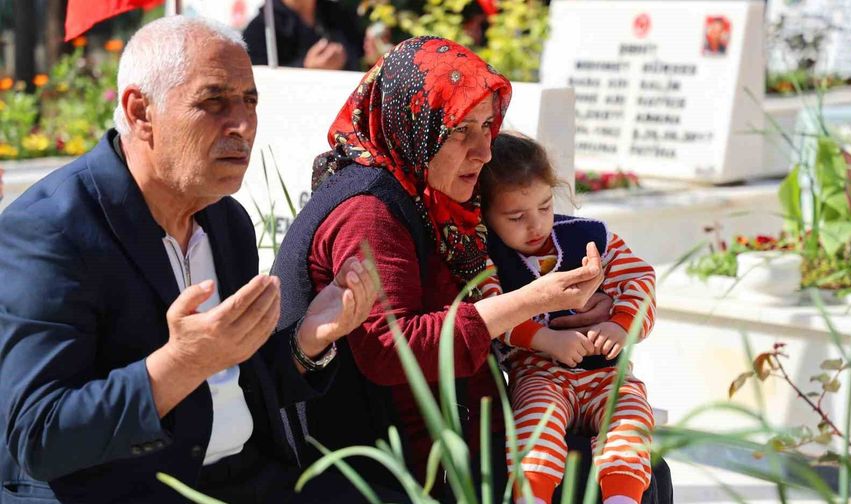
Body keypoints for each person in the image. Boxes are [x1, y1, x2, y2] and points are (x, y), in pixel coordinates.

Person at [0, 16, 380, 503]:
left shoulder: (227, 222)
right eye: (214, 101)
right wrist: (179, 364)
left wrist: (309, 341)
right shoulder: (50, 232)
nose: (241, 125)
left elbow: (236, 383)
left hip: (245, 480)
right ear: (141, 112)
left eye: (249, 100)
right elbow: (39, 436)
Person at [271, 36, 609, 498]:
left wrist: (575, 302)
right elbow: (394, 347)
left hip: (441, 448)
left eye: (488, 125)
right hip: (380, 473)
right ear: (413, 124)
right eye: (459, 131)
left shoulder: (427, 195)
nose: (485, 151)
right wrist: (537, 298)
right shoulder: (369, 210)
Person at [479, 132, 657, 504]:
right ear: (484, 211)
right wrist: (546, 340)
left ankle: (622, 497)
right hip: (539, 373)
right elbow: (491, 309)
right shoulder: (487, 257)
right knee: (535, 424)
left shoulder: (590, 237)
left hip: (605, 373)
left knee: (629, 414)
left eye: (545, 207)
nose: (536, 226)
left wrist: (620, 326)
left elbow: (639, 280)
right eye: (516, 217)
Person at [243, 0, 364, 70]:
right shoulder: (261, 28)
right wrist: (306, 68)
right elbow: (259, 84)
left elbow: (361, 57)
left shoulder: (340, 15)